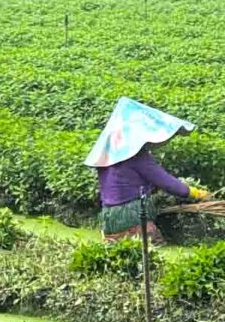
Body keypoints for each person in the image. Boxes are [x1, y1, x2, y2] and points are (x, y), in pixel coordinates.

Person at [84, 97, 209, 245]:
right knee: (153, 251)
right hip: (133, 217)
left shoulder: (107, 154)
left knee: (119, 254)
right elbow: (167, 183)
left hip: (109, 217)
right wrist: (193, 193)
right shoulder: (137, 157)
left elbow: (125, 181)